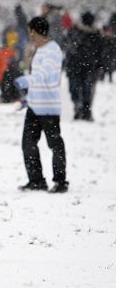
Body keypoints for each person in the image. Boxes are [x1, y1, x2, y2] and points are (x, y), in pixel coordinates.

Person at [14, 16, 68, 193]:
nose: (29, 35)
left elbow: (44, 74)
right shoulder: (39, 50)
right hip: (35, 105)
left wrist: (26, 80)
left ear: (36, 32)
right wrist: (27, 99)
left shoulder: (52, 51)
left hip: (49, 107)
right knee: (28, 144)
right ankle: (36, 180)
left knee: (54, 144)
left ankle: (60, 181)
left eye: (31, 31)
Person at [65, 11, 102, 121]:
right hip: (87, 66)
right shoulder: (95, 33)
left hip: (78, 66)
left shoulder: (75, 31)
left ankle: (80, 108)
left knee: (78, 88)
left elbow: (69, 48)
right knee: (87, 89)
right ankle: (84, 109)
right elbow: (100, 52)